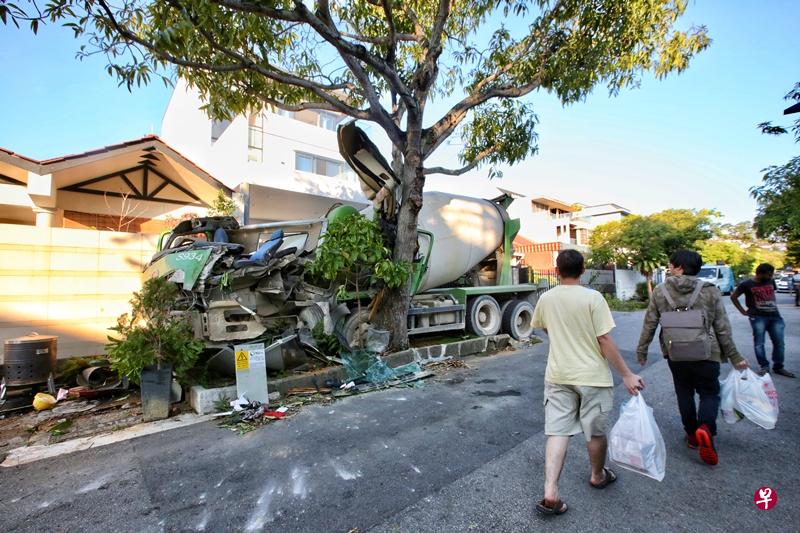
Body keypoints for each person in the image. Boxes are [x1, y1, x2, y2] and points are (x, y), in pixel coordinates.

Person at [531, 249, 644, 516]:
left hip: (558, 375)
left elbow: (545, 327)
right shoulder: (593, 298)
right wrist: (627, 374)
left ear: (557, 271)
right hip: (593, 377)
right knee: (594, 432)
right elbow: (604, 339)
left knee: (558, 431)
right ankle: (597, 474)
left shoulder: (546, 298)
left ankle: (550, 491)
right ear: (583, 270)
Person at [637, 250, 748, 467]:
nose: (669, 267)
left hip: (675, 352)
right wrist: (735, 357)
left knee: (684, 391)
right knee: (709, 392)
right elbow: (722, 327)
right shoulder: (710, 291)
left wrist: (642, 350)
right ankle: (706, 427)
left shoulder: (660, 291)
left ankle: (691, 435)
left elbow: (649, 324)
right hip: (707, 352)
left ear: (679, 267)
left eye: (671, 264)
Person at [731, 263, 796, 378]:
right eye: (769, 274)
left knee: (779, 343)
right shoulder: (746, 284)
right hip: (757, 317)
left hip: (775, 316)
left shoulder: (771, 281)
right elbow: (733, 297)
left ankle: (778, 366)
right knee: (759, 343)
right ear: (760, 273)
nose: (771, 276)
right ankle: (764, 366)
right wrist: (742, 311)